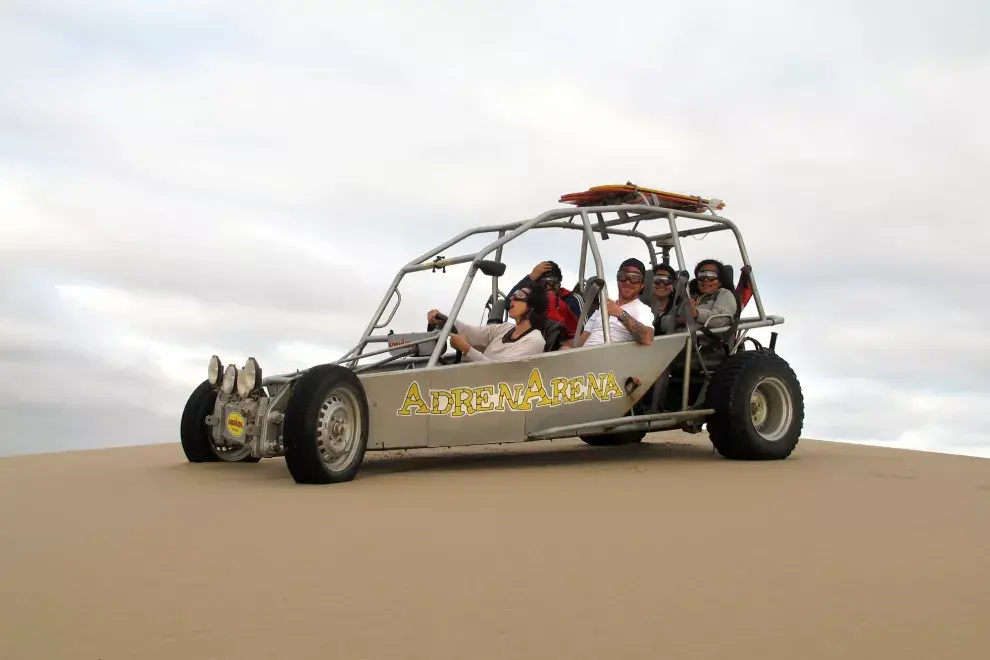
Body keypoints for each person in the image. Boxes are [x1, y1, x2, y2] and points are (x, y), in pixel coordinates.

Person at [426, 285, 549, 363]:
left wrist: (466, 349)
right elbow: (469, 332)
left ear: (532, 306)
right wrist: (444, 320)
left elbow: (502, 372)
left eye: (519, 295)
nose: (512, 298)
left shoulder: (535, 340)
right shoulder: (505, 328)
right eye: (513, 294)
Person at [568, 257, 655, 348]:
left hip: (611, 358)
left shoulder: (642, 309)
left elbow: (647, 339)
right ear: (617, 280)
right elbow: (582, 340)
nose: (628, 282)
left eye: (635, 278)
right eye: (623, 276)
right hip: (585, 355)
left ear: (642, 286)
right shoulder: (603, 307)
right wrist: (565, 348)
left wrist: (619, 313)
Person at [506, 261, 581, 340]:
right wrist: (531, 277)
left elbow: (582, 329)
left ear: (559, 283)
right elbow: (508, 304)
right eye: (543, 283)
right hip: (531, 341)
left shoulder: (573, 299)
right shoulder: (534, 300)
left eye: (551, 282)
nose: (548, 287)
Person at [689, 259, 737, 329]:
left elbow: (721, 319)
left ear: (720, 281)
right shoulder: (690, 297)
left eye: (711, 275)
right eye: (701, 275)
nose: (706, 279)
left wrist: (697, 314)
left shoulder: (724, 294)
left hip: (704, 338)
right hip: (677, 337)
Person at [649, 262, 677, 336]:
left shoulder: (679, 307)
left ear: (672, 285)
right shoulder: (652, 308)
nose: (661, 284)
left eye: (666, 280)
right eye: (657, 280)